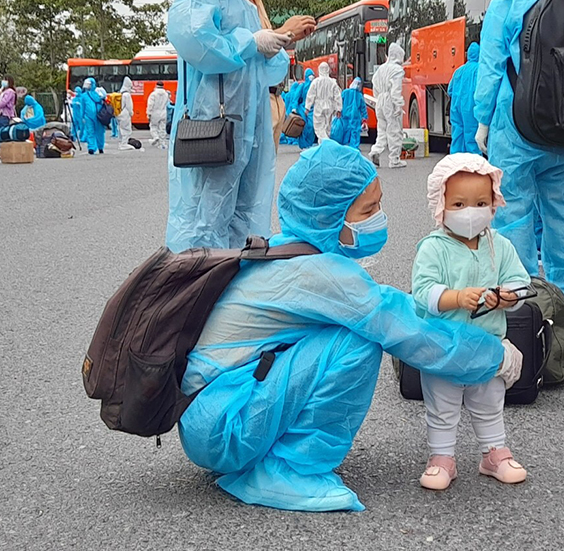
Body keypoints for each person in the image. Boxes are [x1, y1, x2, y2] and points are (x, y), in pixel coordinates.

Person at [178, 141, 524, 512]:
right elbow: (405, 328)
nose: (379, 216)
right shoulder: (322, 274)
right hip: (225, 426)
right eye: (368, 209)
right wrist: (493, 356)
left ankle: (272, 457)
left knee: (347, 331)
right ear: (331, 215)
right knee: (357, 341)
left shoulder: (288, 249)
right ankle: (290, 470)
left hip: (214, 414)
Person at [474, 0, 564, 320]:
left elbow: (489, 71)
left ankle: (523, 301)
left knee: (514, 212)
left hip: (516, 125)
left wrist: (482, 122)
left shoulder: (506, 2)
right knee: (563, 210)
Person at [165, 0, 292, 252]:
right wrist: (251, 43)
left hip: (246, 124)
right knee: (207, 215)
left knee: (242, 211)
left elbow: (269, 69)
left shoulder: (242, 1)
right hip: (213, 121)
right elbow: (195, 40)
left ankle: (232, 279)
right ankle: (198, 280)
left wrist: (277, 44)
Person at [412, 154, 531, 490]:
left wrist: (509, 296)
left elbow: (521, 283)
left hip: (487, 344)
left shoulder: (501, 246)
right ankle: (441, 457)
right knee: (443, 405)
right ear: (441, 205)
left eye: (481, 202)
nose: (471, 211)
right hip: (442, 348)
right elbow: (423, 291)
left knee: (489, 401)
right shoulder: (433, 248)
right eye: (459, 203)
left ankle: (494, 453)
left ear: (494, 203)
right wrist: (455, 297)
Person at [237, 0, 317, 154]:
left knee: (263, 181)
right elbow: (247, 48)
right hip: (255, 101)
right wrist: (285, 32)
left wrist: (287, 36)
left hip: (269, 100)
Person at [369, 42, 407, 169]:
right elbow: (396, 90)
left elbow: (375, 86)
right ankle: (394, 159)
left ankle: (376, 151)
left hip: (380, 100)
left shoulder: (381, 69)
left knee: (382, 129)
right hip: (390, 100)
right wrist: (398, 104)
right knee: (394, 129)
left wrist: (380, 97)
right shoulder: (397, 70)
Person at [447, 42, 481, 154]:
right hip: (471, 107)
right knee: (472, 135)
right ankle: (473, 167)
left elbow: (450, 90)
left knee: (457, 135)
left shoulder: (458, 71)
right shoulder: (479, 69)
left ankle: (456, 164)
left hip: (456, 107)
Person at [305, 62, 342, 144]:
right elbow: (337, 96)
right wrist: (339, 109)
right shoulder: (333, 82)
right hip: (330, 106)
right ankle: (323, 146)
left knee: (319, 127)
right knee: (327, 127)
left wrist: (307, 108)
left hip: (319, 106)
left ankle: (326, 143)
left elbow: (310, 95)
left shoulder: (316, 82)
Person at [330, 77, 367, 148]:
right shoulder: (359, 95)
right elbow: (363, 108)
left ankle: (344, 146)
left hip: (344, 116)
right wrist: (364, 118)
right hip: (355, 118)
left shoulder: (345, 92)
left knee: (344, 131)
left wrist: (338, 111)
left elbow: (339, 102)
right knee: (354, 133)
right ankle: (353, 148)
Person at [79, 77, 107, 155]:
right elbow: (82, 107)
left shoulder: (98, 93)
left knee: (99, 132)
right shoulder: (84, 95)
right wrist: (83, 117)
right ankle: (91, 148)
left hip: (98, 116)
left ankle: (100, 147)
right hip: (89, 117)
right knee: (90, 132)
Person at [146, 81, 170, 149]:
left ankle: (156, 137)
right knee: (162, 128)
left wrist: (148, 114)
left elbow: (150, 105)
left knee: (153, 126)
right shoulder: (166, 94)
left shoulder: (153, 94)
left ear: (156, 85)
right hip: (163, 112)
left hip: (155, 113)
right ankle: (162, 143)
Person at [117, 76, 135, 151]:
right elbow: (129, 106)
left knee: (121, 129)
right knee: (127, 129)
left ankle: (121, 143)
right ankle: (124, 144)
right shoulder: (127, 95)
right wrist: (131, 113)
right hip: (125, 114)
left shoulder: (121, 93)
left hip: (120, 113)